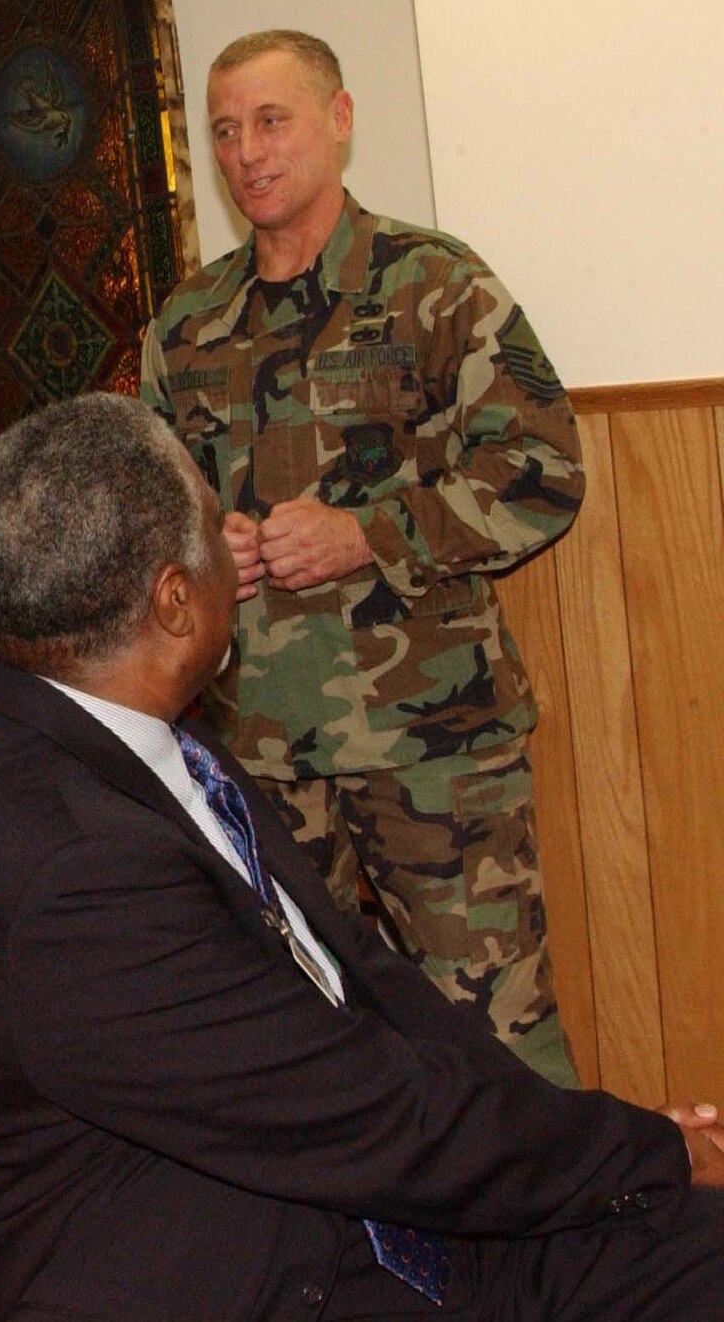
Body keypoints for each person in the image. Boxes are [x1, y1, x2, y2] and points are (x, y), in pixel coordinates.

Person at [0, 393, 723, 1322]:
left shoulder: (127, 735)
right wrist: (645, 1154)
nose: (232, 545)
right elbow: (362, 1115)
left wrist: (611, 1149)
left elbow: (362, 979)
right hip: (247, 1274)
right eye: (216, 525)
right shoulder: (70, 871)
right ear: (176, 599)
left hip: (341, 1209)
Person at [138, 29, 585, 1084]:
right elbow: (151, 518)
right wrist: (208, 549)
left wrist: (366, 534)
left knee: (496, 1038)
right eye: (224, 131)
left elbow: (543, 470)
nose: (246, 151)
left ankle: (570, 1246)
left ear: (337, 121)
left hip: (429, 745)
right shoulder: (188, 323)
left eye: (271, 120)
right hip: (255, 754)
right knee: (301, 1047)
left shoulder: (433, 284)